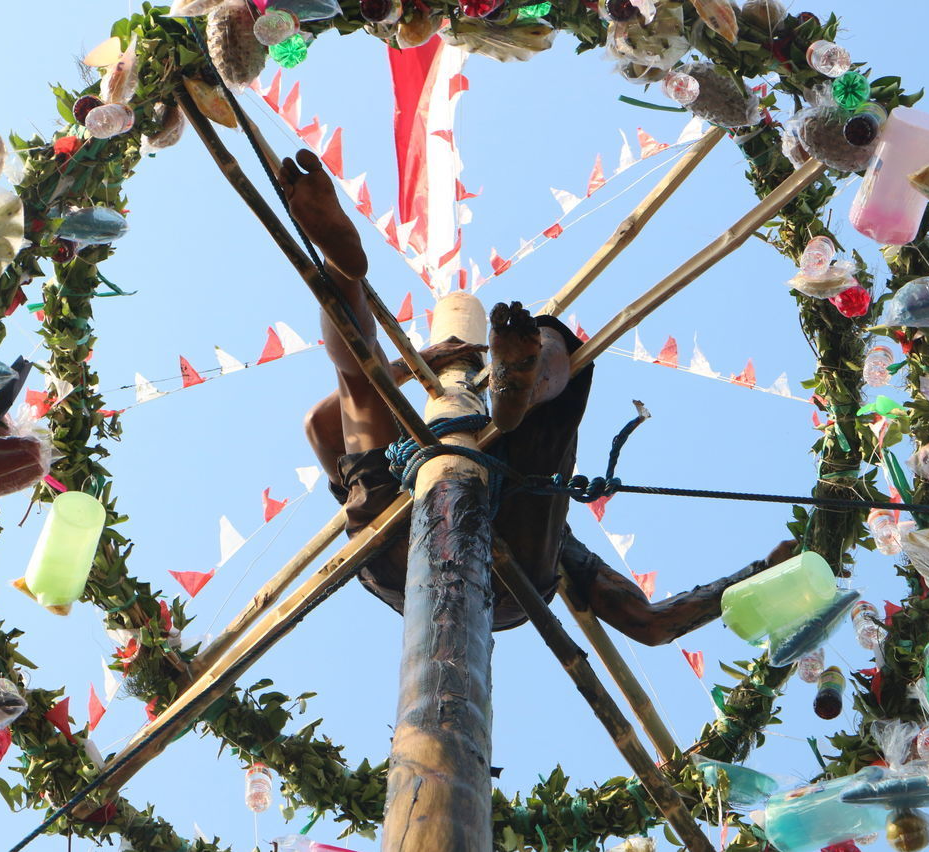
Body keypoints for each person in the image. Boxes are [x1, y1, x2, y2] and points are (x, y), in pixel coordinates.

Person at [280, 148, 794, 640]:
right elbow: (650, 622)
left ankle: (344, 277)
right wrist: (757, 574)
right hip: (507, 581)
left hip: (394, 558)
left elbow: (320, 423)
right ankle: (530, 381)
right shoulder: (556, 536)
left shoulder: (384, 479)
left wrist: (405, 370)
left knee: (360, 382)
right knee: (545, 407)